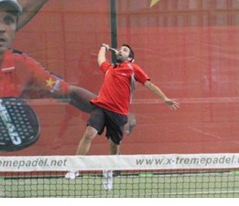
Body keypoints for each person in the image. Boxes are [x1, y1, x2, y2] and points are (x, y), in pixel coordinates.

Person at [0, 0, 96, 124]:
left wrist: (109, 110)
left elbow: (69, 93)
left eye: (9, 20)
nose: (1, 28)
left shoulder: (22, 64)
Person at [65, 43, 180, 190]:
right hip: (101, 107)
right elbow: (101, 60)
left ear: (130, 57)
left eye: (125, 50)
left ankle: (109, 171)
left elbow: (149, 85)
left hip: (118, 113)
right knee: (89, 133)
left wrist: (164, 98)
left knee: (114, 146)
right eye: (120, 49)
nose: (120, 51)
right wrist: (103, 47)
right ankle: (75, 167)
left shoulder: (133, 69)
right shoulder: (110, 69)